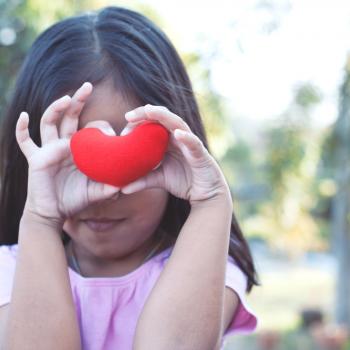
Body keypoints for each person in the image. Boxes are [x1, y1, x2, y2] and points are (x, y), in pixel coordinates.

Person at [0, 6, 258, 350]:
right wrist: (41, 218)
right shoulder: (11, 271)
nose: (105, 193)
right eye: (78, 159)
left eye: (135, 161)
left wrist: (211, 201)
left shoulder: (208, 267)